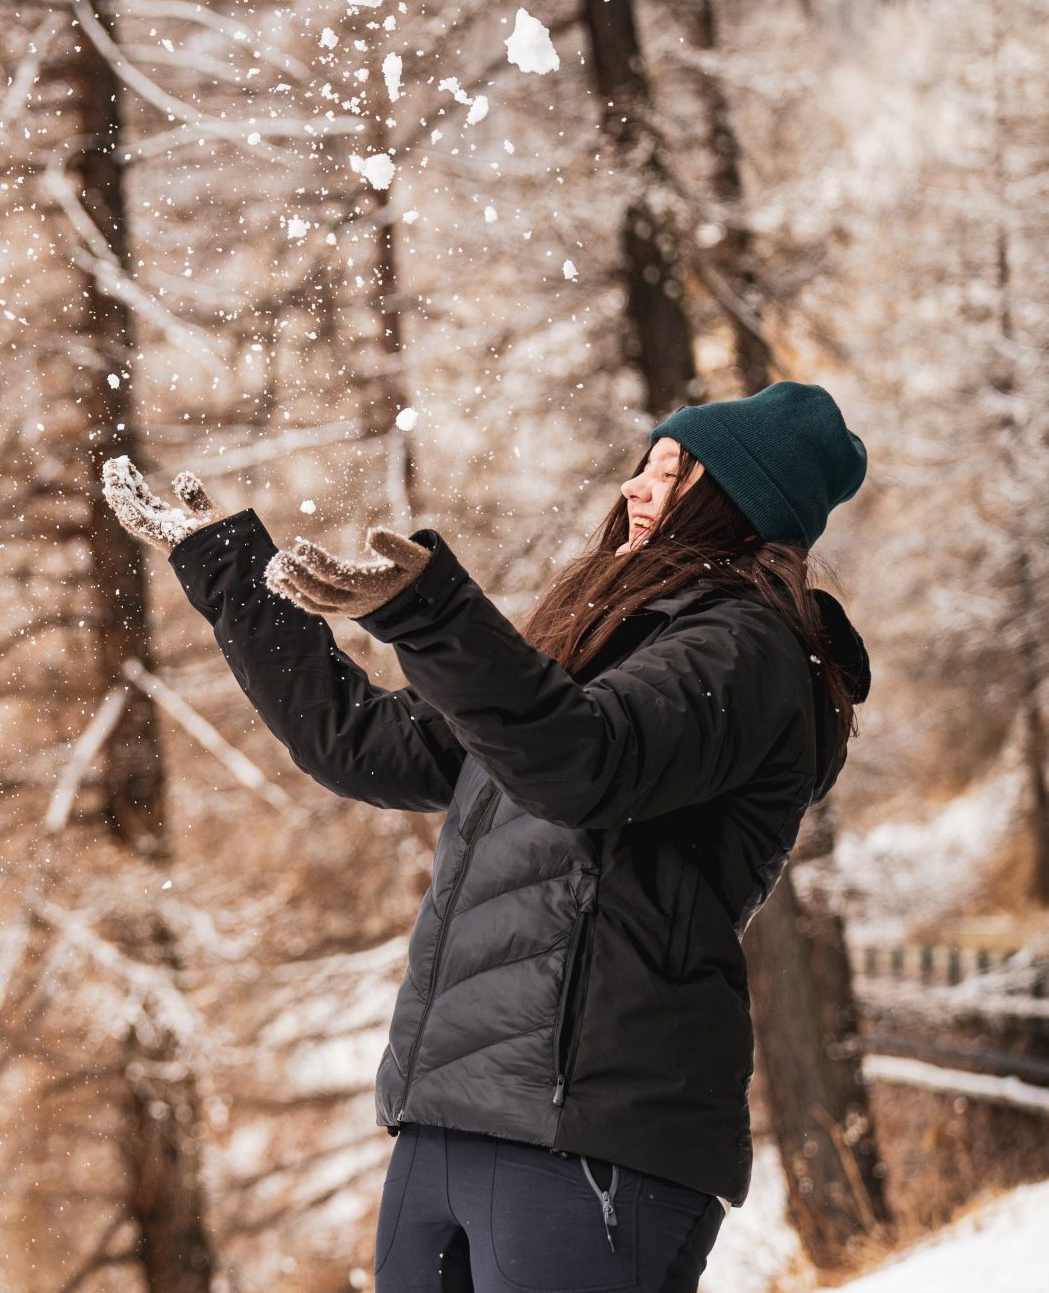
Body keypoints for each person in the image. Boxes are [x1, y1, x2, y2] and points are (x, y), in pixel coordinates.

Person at [102, 381, 872, 1293]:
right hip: (454, 1116)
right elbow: (363, 743)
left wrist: (428, 612)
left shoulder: (747, 651)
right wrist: (226, 569)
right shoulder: (588, 648)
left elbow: (581, 761)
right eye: (644, 463)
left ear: (731, 501)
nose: (636, 485)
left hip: (588, 1133)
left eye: (672, 471)